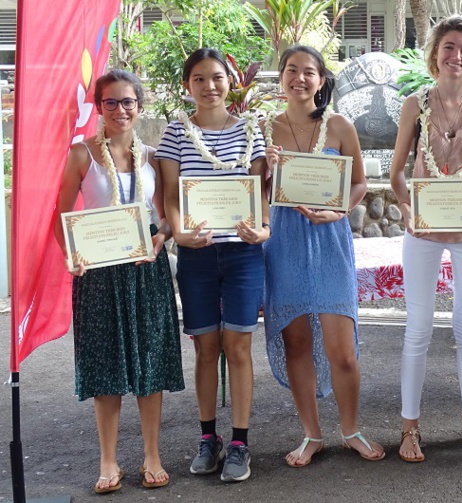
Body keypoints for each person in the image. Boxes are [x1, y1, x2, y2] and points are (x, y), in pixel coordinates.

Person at [55, 69, 184, 493]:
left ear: (139, 106)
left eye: (127, 101)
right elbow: (61, 216)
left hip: (145, 269)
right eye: (110, 102)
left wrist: (161, 237)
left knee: (149, 362)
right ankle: (108, 461)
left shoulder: (153, 157)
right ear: (99, 107)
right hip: (98, 273)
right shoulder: (82, 154)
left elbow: (166, 214)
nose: (120, 110)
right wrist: (72, 256)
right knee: (105, 364)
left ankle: (152, 455)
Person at [260, 45, 384, 467]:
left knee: (341, 349)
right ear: (281, 76)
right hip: (284, 241)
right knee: (296, 343)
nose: (299, 78)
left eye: (308, 71)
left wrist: (337, 210)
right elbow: (257, 193)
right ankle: (311, 434)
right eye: (291, 70)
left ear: (321, 79)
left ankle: (351, 430)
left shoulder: (340, 125)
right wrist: (266, 169)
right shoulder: (263, 129)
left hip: (329, 239)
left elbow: (359, 183)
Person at [389, 15, 462, 463]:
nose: (456, 56)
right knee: (418, 327)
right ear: (435, 53)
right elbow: (397, 173)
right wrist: (407, 208)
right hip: (423, 230)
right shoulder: (415, 104)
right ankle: (409, 428)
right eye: (449, 47)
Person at [156, 48, 269, 482]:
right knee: (205, 347)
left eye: (217, 77)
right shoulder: (175, 133)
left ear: (230, 81)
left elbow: (259, 192)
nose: (209, 86)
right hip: (197, 254)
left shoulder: (250, 130)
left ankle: (240, 442)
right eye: (199, 79)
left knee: (238, 347)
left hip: (242, 254)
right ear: (188, 85)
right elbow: (171, 194)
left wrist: (262, 229)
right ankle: (208, 439)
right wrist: (180, 232)